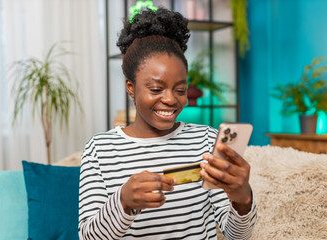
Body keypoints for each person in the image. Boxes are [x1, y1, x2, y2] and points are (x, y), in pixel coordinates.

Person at [79, 8, 256, 240]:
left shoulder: (206, 141)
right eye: (155, 89)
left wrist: (242, 198)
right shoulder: (99, 149)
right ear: (130, 87)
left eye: (180, 90)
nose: (171, 99)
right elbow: (88, 237)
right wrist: (123, 202)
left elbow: (236, 236)